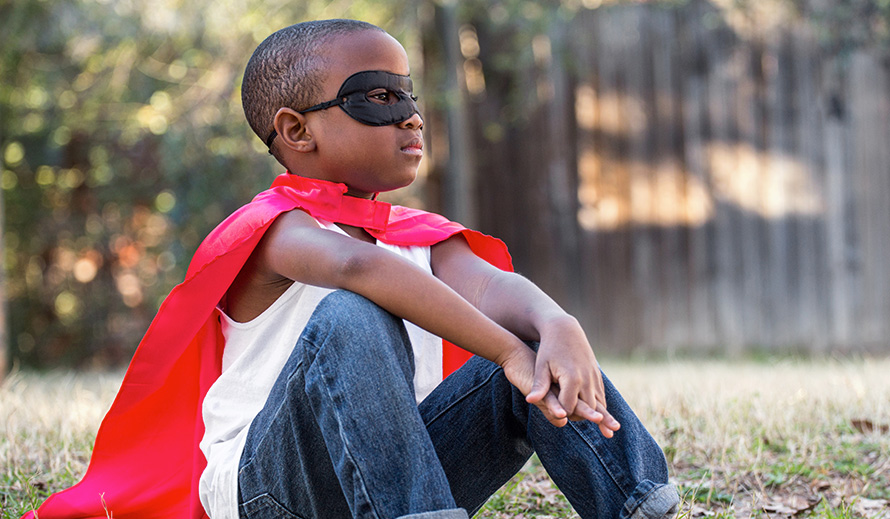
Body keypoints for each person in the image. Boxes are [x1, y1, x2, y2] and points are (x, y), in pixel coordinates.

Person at [21, 19, 678, 519]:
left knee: (536, 346)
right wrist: (506, 346)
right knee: (353, 314)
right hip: (271, 490)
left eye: (410, 95)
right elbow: (356, 269)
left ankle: (639, 501)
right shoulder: (277, 229)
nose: (411, 116)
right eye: (380, 97)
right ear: (296, 131)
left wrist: (554, 325)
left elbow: (492, 288)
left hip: (384, 473)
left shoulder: (412, 234)